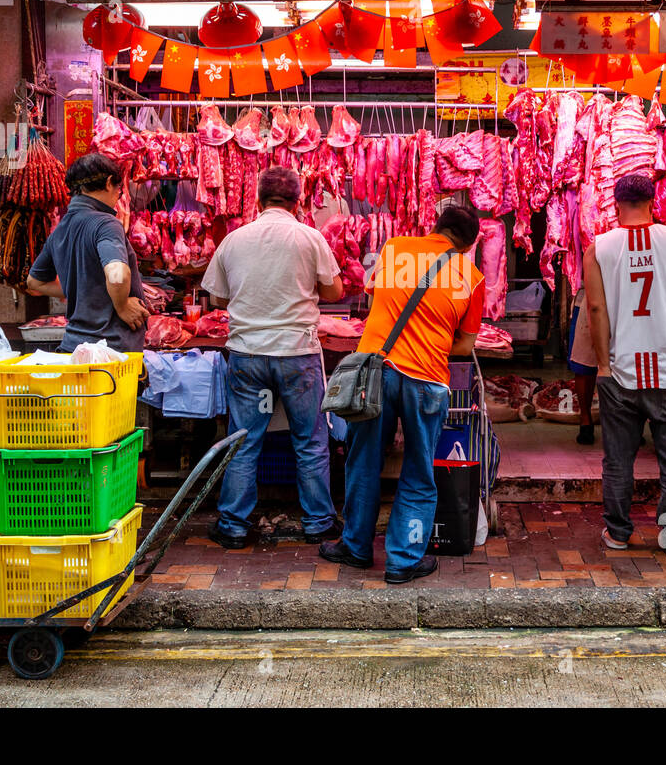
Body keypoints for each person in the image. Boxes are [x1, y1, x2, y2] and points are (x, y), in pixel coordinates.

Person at [320, 205, 484, 584]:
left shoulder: (393, 249)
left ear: (435, 228)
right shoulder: (472, 276)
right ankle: (403, 560)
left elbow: (373, 296)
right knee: (418, 469)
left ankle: (356, 547)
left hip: (378, 372)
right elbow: (463, 346)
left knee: (363, 461)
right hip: (427, 379)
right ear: (469, 244)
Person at [201, 166, 345, 549]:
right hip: (297, 353)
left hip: (247, 354)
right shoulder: (309, 237)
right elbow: (334, 292)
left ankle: (233, 525)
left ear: (257, 199)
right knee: (310, 441)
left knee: (244, 442)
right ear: (298, 202)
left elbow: (217, 298)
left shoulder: (234, 240)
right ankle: (318, 522)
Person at [584, 174, 666, 558]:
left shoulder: (599, 248)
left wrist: (604, 364)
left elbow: (595, 308)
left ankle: (619, 533)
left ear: (615, 201)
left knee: (618, 459)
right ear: (654, 201)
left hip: (620, 371)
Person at [26, 152, 150, 352]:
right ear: (109, 183)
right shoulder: (106, 223)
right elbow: (117, 275)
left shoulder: (61, 229)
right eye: (119, 189)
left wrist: (80, 289)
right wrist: (122, 306)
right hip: (109, 355)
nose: (119, 195)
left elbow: (34, 283)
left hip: (72, 348)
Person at [568, 285, 599, 445]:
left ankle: (628, 423)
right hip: (585, 302)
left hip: (621, 301)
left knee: (621, 364)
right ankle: (585, 418)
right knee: (583, 364)